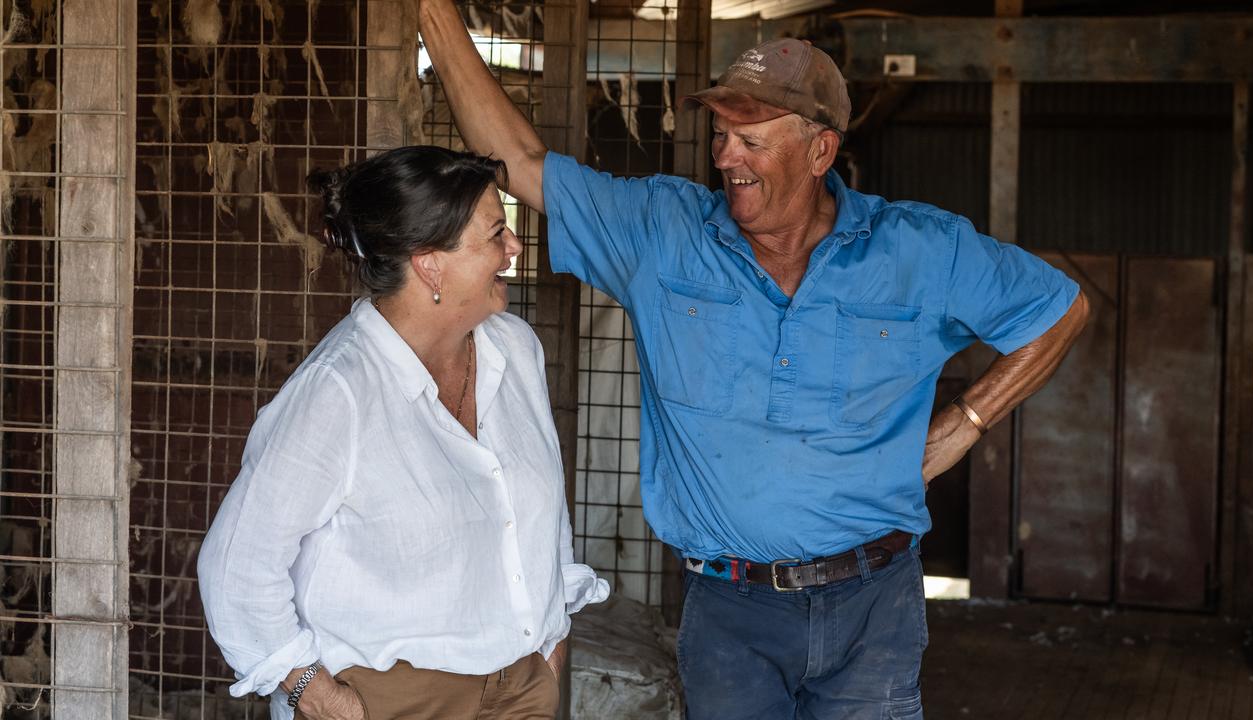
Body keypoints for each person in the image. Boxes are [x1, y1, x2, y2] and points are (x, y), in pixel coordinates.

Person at [417, 3, 1090, 717]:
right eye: (721, 136)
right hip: (730, 612)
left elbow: (1059, 311)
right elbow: (519, 162)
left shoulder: (919, 250)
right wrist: (430, 10)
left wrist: (965, 423)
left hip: (875, 606)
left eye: (750, 140)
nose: (725, 157)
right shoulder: (664, 232)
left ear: (821, 152)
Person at [196, 146, 609, 720]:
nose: (513, 249)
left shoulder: (514, 348)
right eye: (495, 235)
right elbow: (236, 569)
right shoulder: (336, 392)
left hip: (520, 689)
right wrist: (318, 697)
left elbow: (542, 510)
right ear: (430, 264)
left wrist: (552, 643)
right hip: (390, 699)